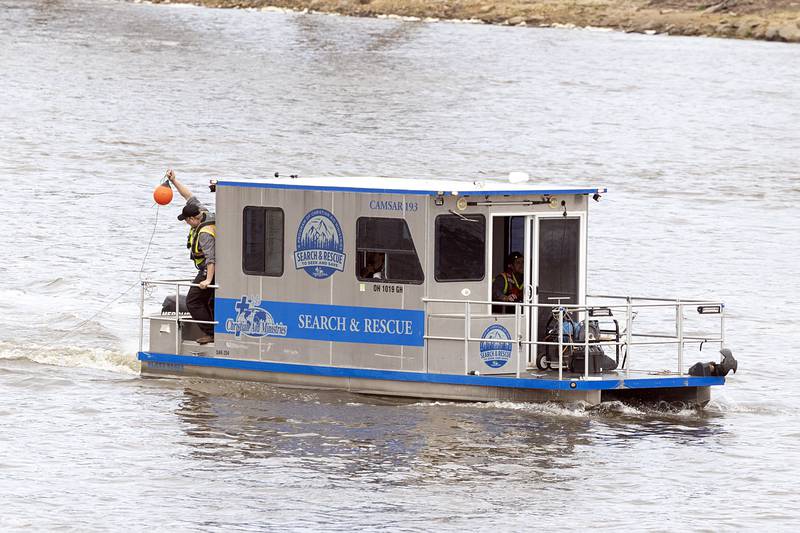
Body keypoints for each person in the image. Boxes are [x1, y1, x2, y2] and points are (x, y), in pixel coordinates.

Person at [167, 170, 216, 345]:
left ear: (194, 218)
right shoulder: (202, 210)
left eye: (187, 220)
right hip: (209, 268)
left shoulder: (205, 233)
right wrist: (174, 181)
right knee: (209, 301)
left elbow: (211, 258)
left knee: (193, 300)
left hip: (209, 269)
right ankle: (213, 329)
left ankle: (211, 333)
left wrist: (208, 280)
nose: (186, 223)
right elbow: (188, 195)